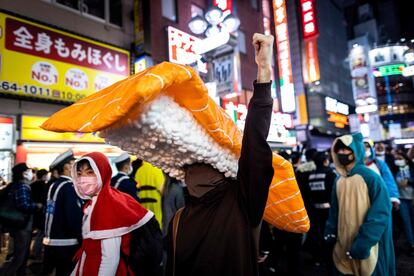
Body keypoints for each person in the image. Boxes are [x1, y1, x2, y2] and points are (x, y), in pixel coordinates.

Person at [165, 33, 275, 276]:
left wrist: (264, 71)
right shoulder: (178, 220)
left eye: (205, 157)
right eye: (190, 161)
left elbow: (255, 144)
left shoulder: (242, 201)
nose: (196, 168)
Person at [71, 152, 154, 275]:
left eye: (89, 172)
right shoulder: (92, 204)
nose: (83, 178)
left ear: (102, 173)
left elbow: (110, 261)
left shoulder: (108, 206)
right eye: (79, 173)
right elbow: (86, 252)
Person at [325, 133, 395, 276]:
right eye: (339, 150)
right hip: (343, 247)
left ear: (355, 150)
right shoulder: (339, 181)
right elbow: (334, 212)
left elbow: (380, 215)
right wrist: (330, 232)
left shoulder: (371, 178)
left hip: (369, 248)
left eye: (345, 150)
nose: (341, 153)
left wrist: (363, 243)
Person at [43, 150, 83, 276]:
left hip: (52, 241)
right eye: (74, 164)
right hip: (66, 243)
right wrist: (82, 238)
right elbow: (73, 217)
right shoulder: (68, 187)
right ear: (67, 167)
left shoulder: (55, 185)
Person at [1, 163, 42, 276]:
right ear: (23, 174)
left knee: (20, 255)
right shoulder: (22, 186)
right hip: (22, 226)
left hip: (15, 225)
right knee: (20, 256)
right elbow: (23, 205)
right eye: (28, 171)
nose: (31, 174)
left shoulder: (13, 185)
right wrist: (37, 206)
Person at [307, 151, 337, 268]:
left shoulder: (311, 175)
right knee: (329, 234)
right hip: (329, 211)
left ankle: (319, 258)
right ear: (325, 161)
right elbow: (333, 193)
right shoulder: (330, 173)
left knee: (318, 234)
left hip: (315, 210)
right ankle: (330, 259)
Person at [364, 140, 400, 207]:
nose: (365, 148)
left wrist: (393, 197)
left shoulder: (379, 164)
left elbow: (388, 180)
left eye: (368, 146)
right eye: (363, 146)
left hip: (379, 199)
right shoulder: (353, 165)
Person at [394, 149, 414, 255]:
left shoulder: (411, 169)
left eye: (400, 159)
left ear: (406, 160)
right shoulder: (394, 170)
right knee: (406, 223)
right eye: (396, 159)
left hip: (412, 198)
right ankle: (412, 245)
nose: (398, 161)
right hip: (401, 200)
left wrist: (408, 181)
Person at [135, 160, 165, 227]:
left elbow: (137, 189)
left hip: (143, 206)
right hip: (156, 206)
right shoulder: (157, 170)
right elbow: (161, 190)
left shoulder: (139, 171)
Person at [30, 169, 49, 261]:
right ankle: (37, 254)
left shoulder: (32, 185)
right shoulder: (43, 185)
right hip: (41, 212)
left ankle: (34, 252)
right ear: (44, 176)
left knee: (37, 233)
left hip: (34, 212)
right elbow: (44, 199)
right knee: (41, 234)